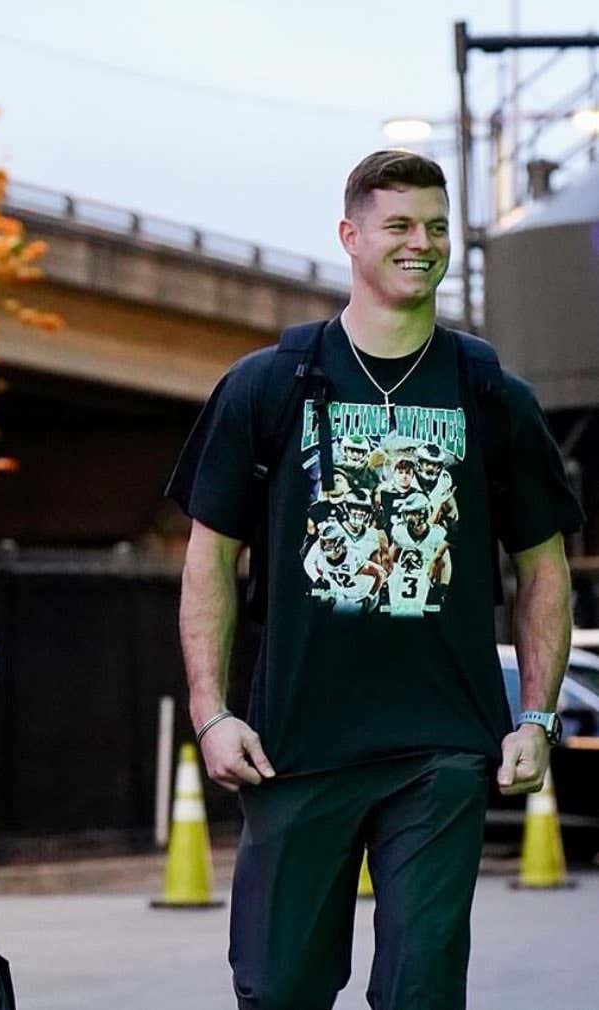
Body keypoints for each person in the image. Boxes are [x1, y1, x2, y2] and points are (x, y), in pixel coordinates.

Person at [167, 149, 584, 1010]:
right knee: (279, 988)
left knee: (422, 992)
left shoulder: (489, 393)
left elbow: (543, 566)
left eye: (436, 226)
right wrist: (211, 712)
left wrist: (535, 716)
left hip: (442, 750)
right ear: (349, 236)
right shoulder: (270, 385)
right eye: (399, 225)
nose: (421, 243)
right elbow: (210, 556)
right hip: (296, 747)